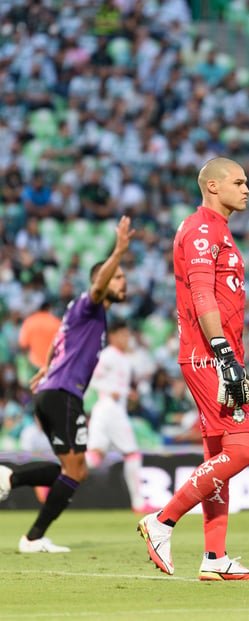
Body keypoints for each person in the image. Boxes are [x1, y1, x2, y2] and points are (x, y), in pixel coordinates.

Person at [137, 157, 249, 581]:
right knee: (242, 451)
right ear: (212, 186)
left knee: (218, 456)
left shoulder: (218, 229)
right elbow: (200, 294)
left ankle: (215, 558)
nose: (247, 189)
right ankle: (162, 520)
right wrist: (223, 353)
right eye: (239, 181)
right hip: (210, 355)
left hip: (216, 352)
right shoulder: (202, 229)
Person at [0, 216, 135, 553]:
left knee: (74, 470)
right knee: (75, 471)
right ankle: (32, 538)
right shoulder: (90, 306)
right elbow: (98, 286)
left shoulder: (82, 316)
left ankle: (9, 478)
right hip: (63, 395)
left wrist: (46, 365)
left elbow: (60, 341)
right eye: (118, 277)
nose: (123, 283)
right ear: (101, 282)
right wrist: (117, 252)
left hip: (53, 393)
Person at [85, 318, 158, 514]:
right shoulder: (109, 355)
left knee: (94, 457)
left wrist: (127, 393)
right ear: (112, 336)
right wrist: (111, 390)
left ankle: (55, 478)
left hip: (105, 411)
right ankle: (138, 503)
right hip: (110, 410)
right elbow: (91, 378)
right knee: (132, 453)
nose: (126, 338)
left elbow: (118, 385)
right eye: (123, 335)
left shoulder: (124, 358)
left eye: (128, 335)